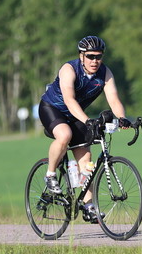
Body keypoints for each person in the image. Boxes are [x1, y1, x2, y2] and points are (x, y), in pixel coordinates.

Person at [37, 35, 131, 223]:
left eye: (98, 56)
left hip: (76, 115)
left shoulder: (105, 73)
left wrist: (122, 118)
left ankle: (88, 205)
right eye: (90, 56)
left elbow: (113, 98)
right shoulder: (69, 69)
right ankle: (50, 174)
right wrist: (88, 121)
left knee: (86, 158)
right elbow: (69, 100)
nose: (95, 61)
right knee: (64, 135)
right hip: (52, 109)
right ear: (82, 56)